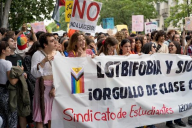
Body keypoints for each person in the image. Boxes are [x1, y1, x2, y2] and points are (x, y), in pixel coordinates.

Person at [31, 33, 62, 128]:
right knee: (40, 116)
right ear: (45, 44)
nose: (55, 42)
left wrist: (55, 87)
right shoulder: (37, 54)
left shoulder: (58, 54)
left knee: (52, 117)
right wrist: (43, 61)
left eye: (55, 40)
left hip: (55, 87)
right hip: (42, 87)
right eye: (52, 41)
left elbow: (61, 73)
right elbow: (34, 73)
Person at [166, 41, 186, 128]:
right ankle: (169, 121)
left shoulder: (181, 58)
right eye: (169, 46)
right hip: (168, 83)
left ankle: (178, 120)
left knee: (178, 102)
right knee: (170, 102)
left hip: (178, 84)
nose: (170, 47)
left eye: (172, 46)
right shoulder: (164, 57)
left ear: (177, 47)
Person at [0, 40, 19, 128]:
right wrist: (20, 72)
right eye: (8, 48)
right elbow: (13, 81)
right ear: (3, 51)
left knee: (2, 117)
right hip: (6, 92)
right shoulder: (7, 63)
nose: (9, 49)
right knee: (12, 117)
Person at [23, 41, 41, 128]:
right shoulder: (28, 58)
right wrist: (37, 81)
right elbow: (29, 72)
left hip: (38, 83)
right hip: (31, 84)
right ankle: (31, 123)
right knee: (31, 103)